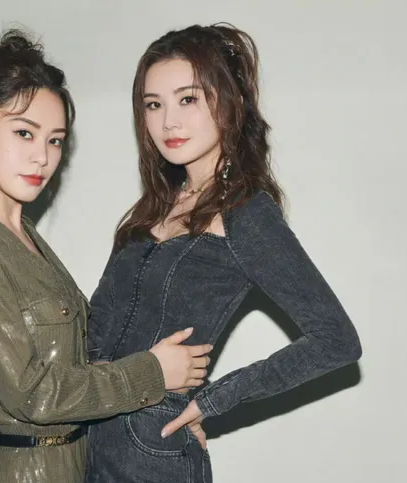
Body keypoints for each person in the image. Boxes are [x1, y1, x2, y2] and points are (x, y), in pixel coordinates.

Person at [0, 29, 212, 483]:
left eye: (55, 140)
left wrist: (165, 403)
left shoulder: (23, 236)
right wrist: (152, 374)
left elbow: (75, 368)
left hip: (74, 465)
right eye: (24, 133)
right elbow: (34, 395)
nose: (41, 157)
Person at [85, 23, 362, 482]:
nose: (168, 121)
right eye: (154, 104)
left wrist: (212, 400)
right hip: (89, 443)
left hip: (154, 451)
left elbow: (337, 340)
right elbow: (99, 324)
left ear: (228, 103)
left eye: (188, 99)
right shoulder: (150, 210)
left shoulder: (246, 214)